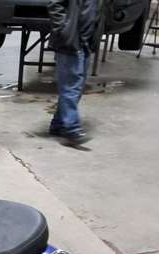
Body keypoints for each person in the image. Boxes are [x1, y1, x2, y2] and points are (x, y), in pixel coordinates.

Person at [48, 0, 100, 145]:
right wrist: (64, 30)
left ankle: (58, 124)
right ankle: (72, 128)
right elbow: (54, 4)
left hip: (85, 43)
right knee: (71, 87)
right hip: (70, 42)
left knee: (76, 87)